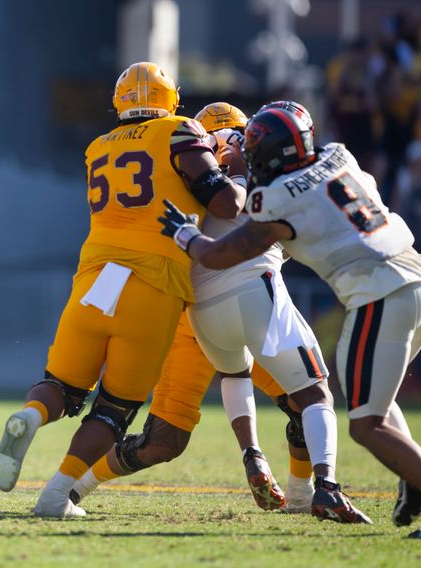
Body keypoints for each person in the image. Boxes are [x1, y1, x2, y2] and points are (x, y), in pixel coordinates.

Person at [159, 106, 421, 538]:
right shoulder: (340, 155)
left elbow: (221, 252)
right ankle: (415, 482)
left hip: (380, 293)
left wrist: (184, 234)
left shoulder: (274, 198)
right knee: (376, 401)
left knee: (365, 423)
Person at [0, 62, 247, 518]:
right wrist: (236, 173)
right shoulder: (180, 130)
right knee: (113, 410)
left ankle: (31, 415)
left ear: (120, 101)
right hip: (153, 284)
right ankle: (55, 494)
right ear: (171, 98)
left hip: (95, 280)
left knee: (62, 386)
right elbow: (224, 201)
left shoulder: (96, 146)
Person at [70, 103, 328, 517]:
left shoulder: (178, 174)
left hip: (195, 318)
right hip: (249, 306)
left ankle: (74, 486)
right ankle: (302, 492)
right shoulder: (261, 176)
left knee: (163, 442)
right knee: (308, 398)